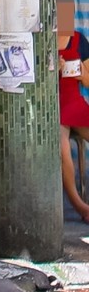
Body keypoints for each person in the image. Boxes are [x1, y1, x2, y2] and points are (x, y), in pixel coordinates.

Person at [58, 28, 89, 222]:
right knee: (62, 151)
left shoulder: (79, 40)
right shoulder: (41, 39)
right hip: (52, 110)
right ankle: (81, 207)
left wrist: (83, 75)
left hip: (75, 105)